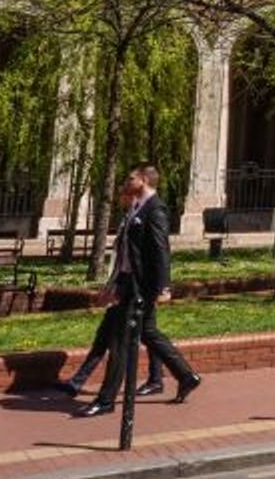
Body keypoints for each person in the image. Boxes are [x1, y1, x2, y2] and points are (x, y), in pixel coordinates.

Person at [76, 165, 202, 416]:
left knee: (119, 341)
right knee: (148, 332)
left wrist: (163, 286)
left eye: (130, 177)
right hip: (128, 282)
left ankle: (106, 400)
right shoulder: (137, 206)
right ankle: (186, 376)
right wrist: (114, 284)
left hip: (140, 287)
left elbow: (160, 250)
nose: (126, 180)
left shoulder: (155, 209)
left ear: (143, 180)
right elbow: (126, 250)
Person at [53, 180, 166, 398]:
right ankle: (80, 382)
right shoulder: (129, 218)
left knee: (145, 334)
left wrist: (158, 287)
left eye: (122, 194)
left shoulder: (144, 216)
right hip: (125, 285)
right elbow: (122, 257)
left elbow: (153, 255)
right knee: (123, 334)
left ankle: (163, 378)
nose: (118, 198)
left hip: (135, 288)